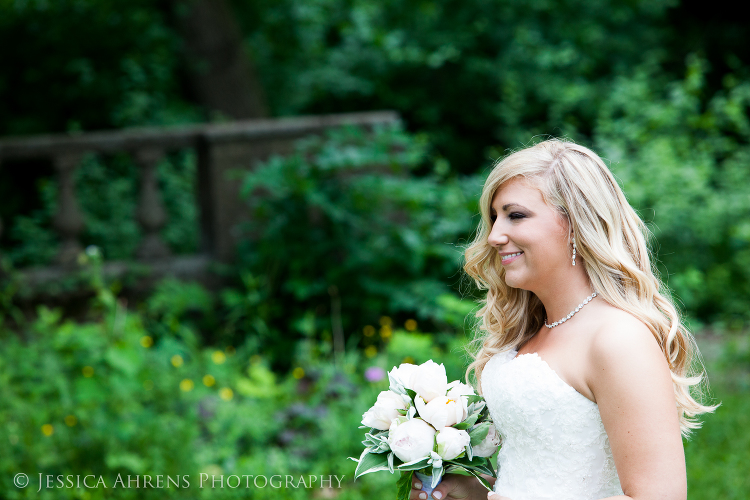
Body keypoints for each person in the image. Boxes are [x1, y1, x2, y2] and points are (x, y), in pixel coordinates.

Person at [409, 138, 716, 500]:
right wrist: (466, 492)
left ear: (574, 223)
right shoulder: (529, 331)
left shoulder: (617, 338)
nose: (493, 236)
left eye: (515, 215)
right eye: (494, 218)